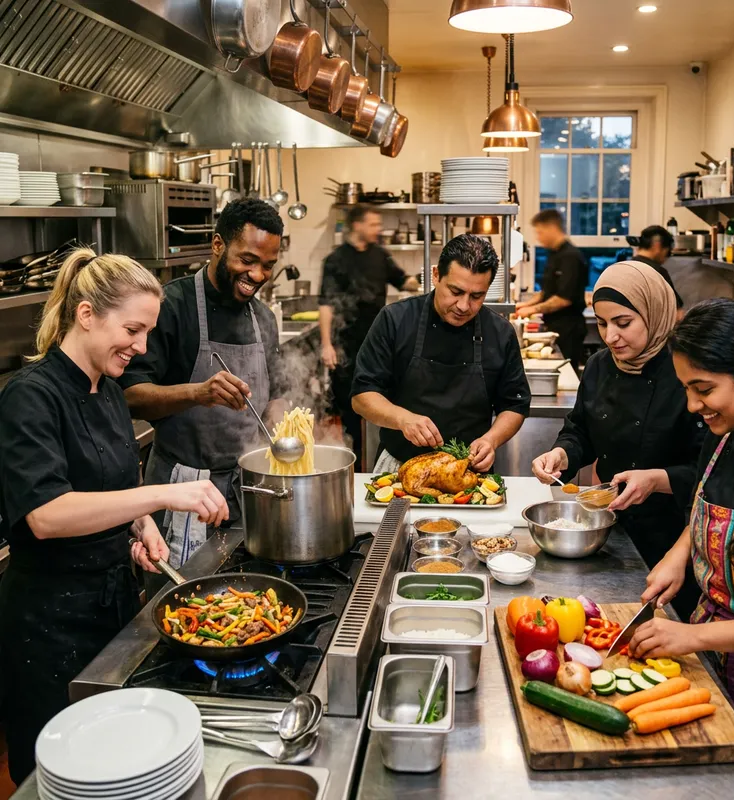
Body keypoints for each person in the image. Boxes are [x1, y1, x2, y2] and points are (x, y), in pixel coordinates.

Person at [0, 249, 228, 785]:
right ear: (85, 315)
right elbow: (47, 515)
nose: (142, 346)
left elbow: (110, 489)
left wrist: (137, 526)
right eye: (132, 328)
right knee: (59, 778)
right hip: (49, 627)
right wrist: (156, 500)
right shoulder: (30, 398)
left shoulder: (107, 390)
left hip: (112, 608)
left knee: (116, 770)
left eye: (147, 331)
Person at [630, 299, 734, 797]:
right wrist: (679, 554)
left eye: (703, 389)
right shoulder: (726, 435)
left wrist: (691, 639)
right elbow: (711, 503)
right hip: (713, 669)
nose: (692, 406)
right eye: (687, 388)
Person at [531, 261, 705, 620]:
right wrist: (562, 453)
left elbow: (710, 471)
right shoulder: (599, 366)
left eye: (623, 323)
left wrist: (656, 480)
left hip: (675, 538)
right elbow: (580, 428)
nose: (611, 337)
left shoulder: (687, 373)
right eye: (602, 323)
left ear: (655, 313)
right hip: (609, 532)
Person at [120, 198, 286, 566]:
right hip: (182, 484)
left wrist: (281, 420)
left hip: (248, 489)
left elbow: (276, 393)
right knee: (181, 603)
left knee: (245, 600)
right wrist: (198, 393)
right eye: (247, 260)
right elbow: (131, 396)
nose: (257, 275)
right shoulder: (172, 307)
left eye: (268, 266)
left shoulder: (263, 318)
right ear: (217, 245)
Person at [351, 233, 530, 474]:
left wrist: (491, 440)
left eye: (477, 296)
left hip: (468, 473)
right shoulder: (395, 320)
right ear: (436, 275)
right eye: (455, 291)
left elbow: (514, 404)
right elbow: (362, 396)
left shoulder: (500, 333)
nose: (464, 306)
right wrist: (403, 419)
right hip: (399, 468)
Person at [319, 205, 419, 470]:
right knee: (350, 413)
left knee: (380, 406)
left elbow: (403, 281)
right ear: (357, 226)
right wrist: (327, 344)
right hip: (345, 346)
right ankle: (351, 470)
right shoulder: (335, 260)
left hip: (378, 345)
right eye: (373, 224)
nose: (378, 229)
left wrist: (430, 280)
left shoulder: (379, 255)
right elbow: (326, 304)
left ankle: (378, 465)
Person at [515, 209, 588, 371]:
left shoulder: (571, 256)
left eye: (540, 232)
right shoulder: (554, 255)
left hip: (568, 328)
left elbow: (564, 298)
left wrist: (531, 309)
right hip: (554, 325)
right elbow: (546, 292)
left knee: (566, 371)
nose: (538, 238)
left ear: (552, 228)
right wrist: (522, 305)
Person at [627, 225, 684, 311]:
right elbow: (676, 314)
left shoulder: (625, 266)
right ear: (657, 246)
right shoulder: (657, 272)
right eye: (667, 252)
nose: (666, 258)